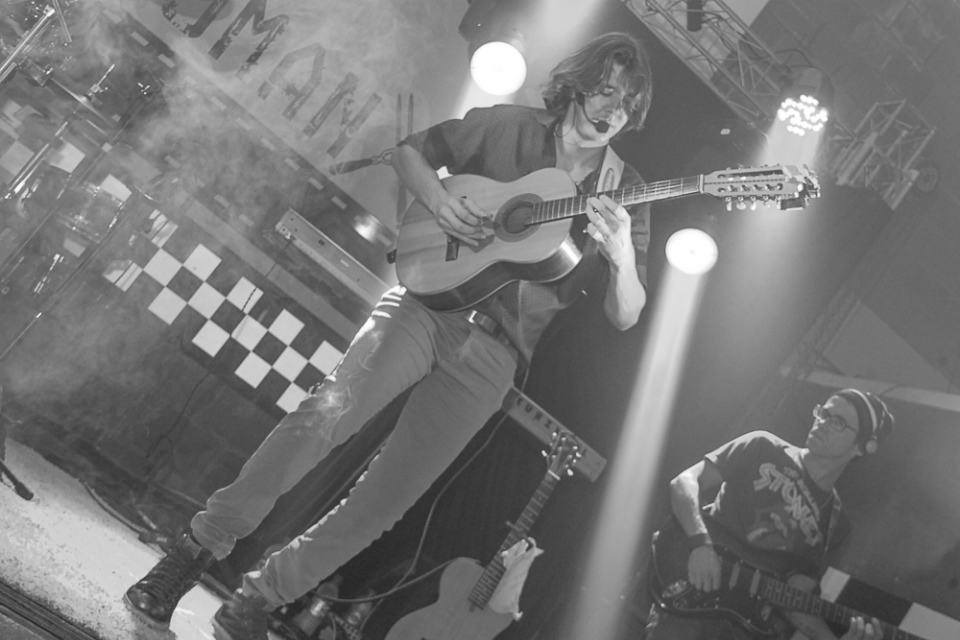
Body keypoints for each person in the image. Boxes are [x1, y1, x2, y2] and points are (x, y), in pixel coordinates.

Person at [123, 32, 654, 640]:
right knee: (324, 419)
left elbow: (627, 314)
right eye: (606, 90)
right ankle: (196, 550)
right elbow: (409, 152)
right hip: (425, 306)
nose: (614, 109)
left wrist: (622, 258)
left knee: (388, 500)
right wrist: (440, 201)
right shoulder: (509, 126)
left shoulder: (626, 190)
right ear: (578, 85)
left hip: (495, 358)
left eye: (628, 101)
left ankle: (260, 598)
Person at [644, 389, 895, 640]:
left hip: (742, 628)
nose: (822, 423)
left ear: (863, 446)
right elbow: (683, 484)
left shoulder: (837, 526)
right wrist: (700, 544)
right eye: (823, 413)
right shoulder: (763, 446)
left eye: (837, 421)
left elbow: (794, 602)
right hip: (693, 595)